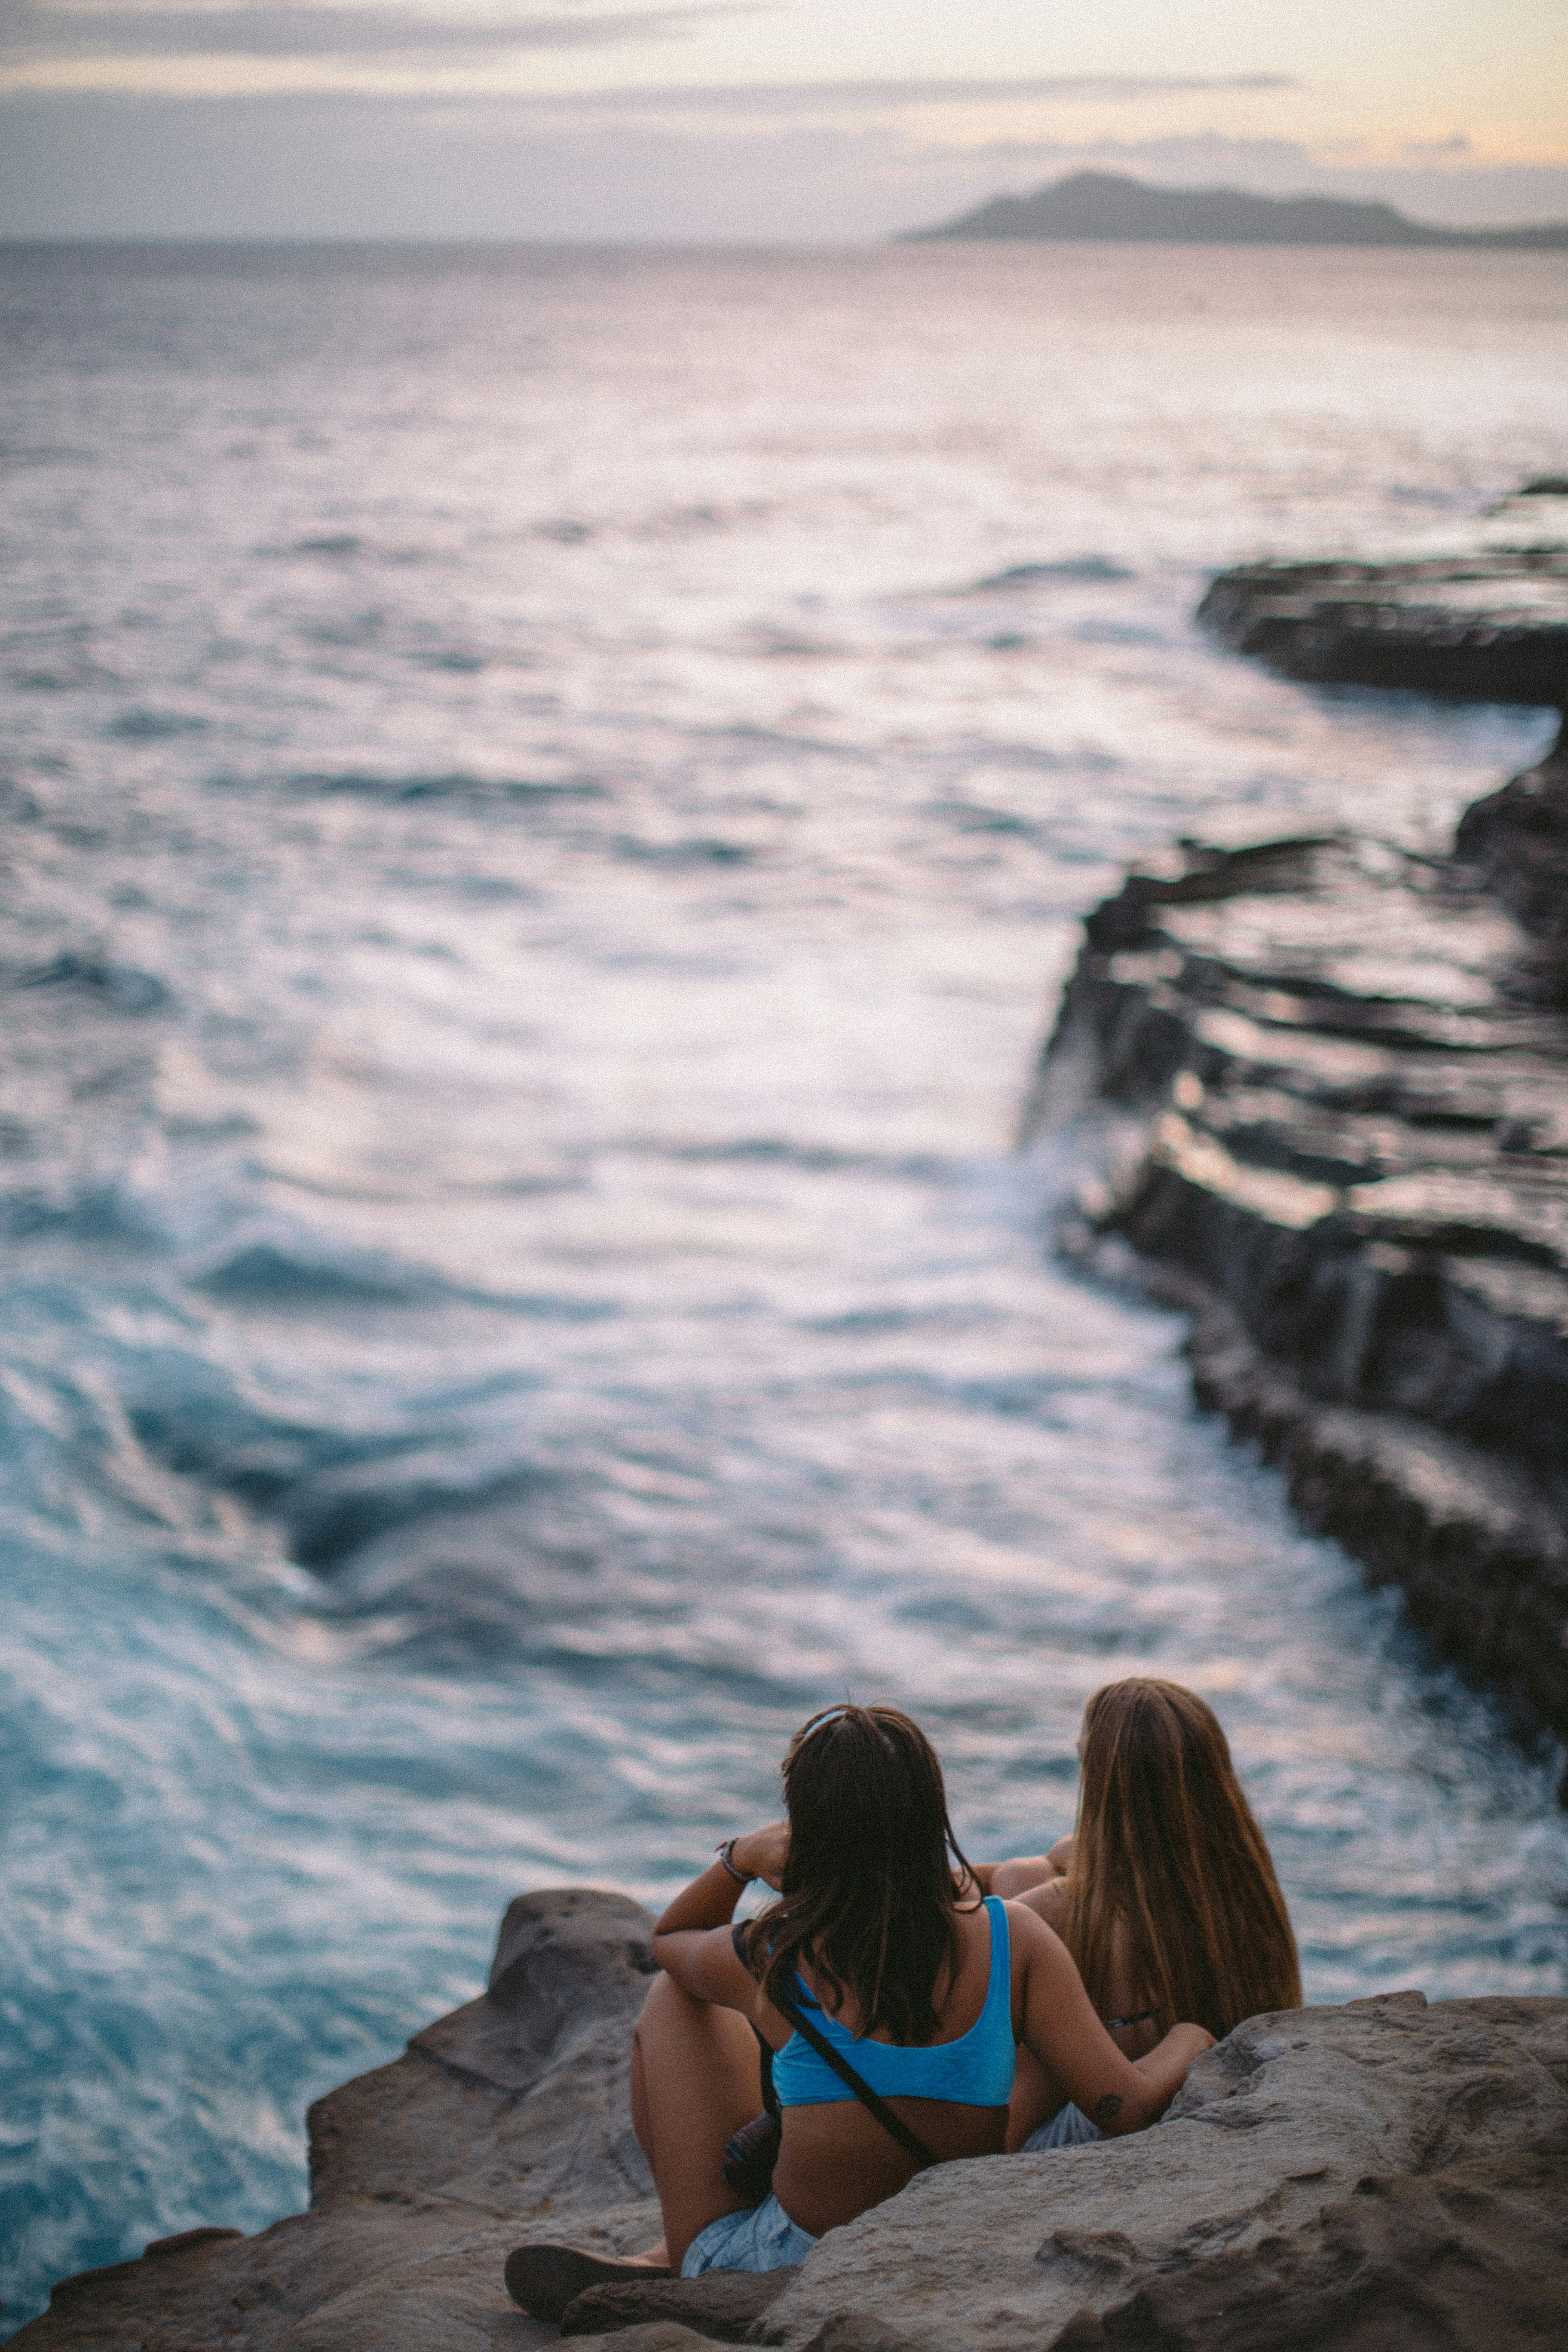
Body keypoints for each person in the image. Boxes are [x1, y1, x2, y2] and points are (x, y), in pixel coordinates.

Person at [505, 1703, 1214, 2315]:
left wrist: (740, 1860)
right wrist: (1191, 2034)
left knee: (675, 1996)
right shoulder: (1011, 1936)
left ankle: (679, 2251)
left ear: (806, 1822)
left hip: (780, 2264)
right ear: (929, 1811)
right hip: (938, 2238)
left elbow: (667, 1941)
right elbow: (1121, 2105)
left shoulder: (775, 1950)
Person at [971, 1677, 1301, 2151]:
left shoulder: (1060, 1913)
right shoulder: (1236, 1877)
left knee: (1018, 1896)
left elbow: (967, 1947)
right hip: (1208, 2088)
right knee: (1022, 1874)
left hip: (1093, 2132)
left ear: (1101, 1781)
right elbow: (1069, 1857)